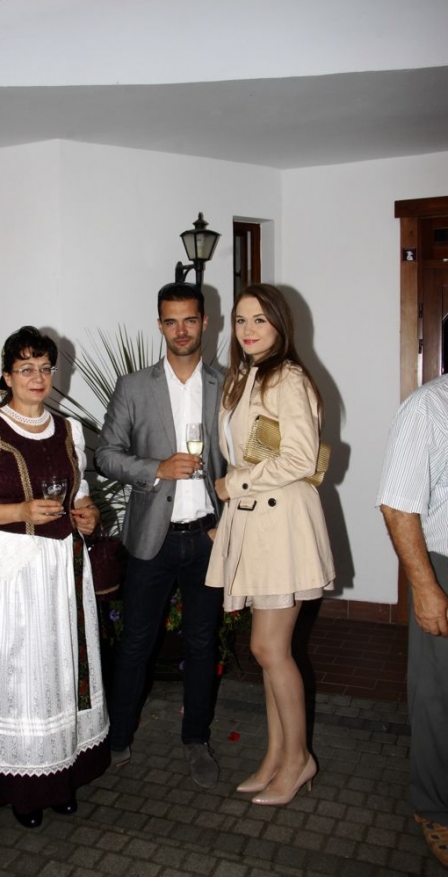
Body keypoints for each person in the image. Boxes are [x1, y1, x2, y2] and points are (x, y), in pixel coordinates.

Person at [0, 326, 109, 829]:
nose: (38, 377)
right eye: (26, 368)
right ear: (7, 376)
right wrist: (20, 510)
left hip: (59, 570)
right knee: (20, 673)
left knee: (59, 669)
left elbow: (78, 492)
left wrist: (88, 514)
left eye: (45, 367)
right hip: (9, 574)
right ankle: (23, 787)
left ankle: (60, 775)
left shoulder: (69, 430)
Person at [205, 284, 335, 806]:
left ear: (280, 323)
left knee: (268, 649)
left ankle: (298, 760)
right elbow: (249, 452)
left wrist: (233, 485)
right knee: (268, 652)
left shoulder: (287, 376)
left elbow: (301, 457)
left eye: (259, 319)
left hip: (281, 524)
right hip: (257, 521)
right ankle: (277, 755)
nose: (248, 329)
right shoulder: (245, 376)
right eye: (241, 320)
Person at [95, 282, 225, 787]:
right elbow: (106, 454)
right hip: (153, 537)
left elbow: (243, 459)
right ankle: (118, 738)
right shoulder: (134, 386)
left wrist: (227, 523)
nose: (181, 330)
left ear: (204, 322)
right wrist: (156, 468)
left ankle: (196, 739)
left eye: (190, 320)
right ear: (159, 325)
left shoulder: (227, 384)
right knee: (136, 644)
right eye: (171, 321)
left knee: (202, 644)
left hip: (208, 537)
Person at [377, 375, 448, 867]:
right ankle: (436, 807)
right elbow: (398, 505)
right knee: (438, 695)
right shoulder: (428, 407)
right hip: (443, 566)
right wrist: (425, 588)